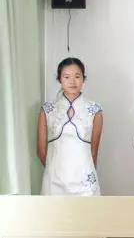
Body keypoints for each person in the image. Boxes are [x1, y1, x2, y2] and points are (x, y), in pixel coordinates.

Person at [37, 57, 102, 196]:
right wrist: (53, 170)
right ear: (59, 79)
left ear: (83, 79)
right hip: (54, 179)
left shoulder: (95, 110)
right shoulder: (48, 110)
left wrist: (87, 172)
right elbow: (41, 151)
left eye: (77, 76)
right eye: (67, 77)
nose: (72, 81)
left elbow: (94, 151)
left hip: (85, 181)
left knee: (89, 210)